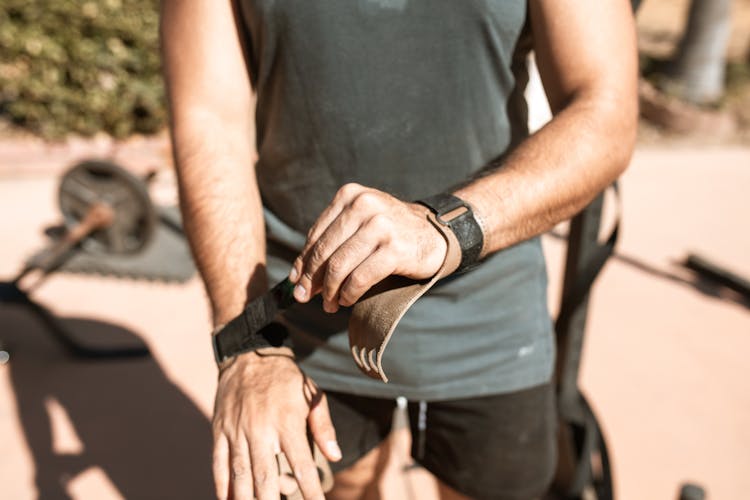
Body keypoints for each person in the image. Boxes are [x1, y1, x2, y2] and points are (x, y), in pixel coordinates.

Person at [160, 1, 638, 499]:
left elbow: (604, 110)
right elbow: (209, 120)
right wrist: (247, 341)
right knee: (344, 484)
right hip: (301, 310)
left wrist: (447, 227)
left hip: (490, 312)